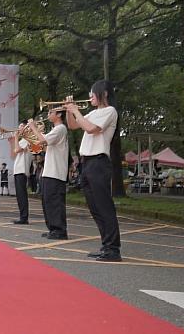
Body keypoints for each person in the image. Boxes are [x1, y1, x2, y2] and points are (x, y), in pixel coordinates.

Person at [64, 81, 121, 262]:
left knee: (104, 206)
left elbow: (90, 129)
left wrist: (76, 110)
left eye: (92, 94)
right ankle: (106, 245)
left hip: (99, 162)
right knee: (94, 207)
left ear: (103, 94)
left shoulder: (110, 111)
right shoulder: (93, 113)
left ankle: (113, 249)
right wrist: (68, 109)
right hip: (86, 162)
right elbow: (73, 125)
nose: (90, 97)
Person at [29, 110, 69, 240]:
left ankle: (60, 230)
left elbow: (42, 141)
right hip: (49, 171)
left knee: (55, 202)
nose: (48, 114)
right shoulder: (55, 130)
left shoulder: (60, 128)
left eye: (51, 112)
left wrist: (33, 127)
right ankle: (53, 228)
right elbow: (41, 146)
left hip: (56, 173)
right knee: (47, 202)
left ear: (59, 115)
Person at [8, 123, 32, 225]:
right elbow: (13, 155)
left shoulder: (28, 140)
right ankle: (22, 216)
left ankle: (24, 217)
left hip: (22, 170)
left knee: (22, 195)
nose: (19, 128)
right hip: (18, 169)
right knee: (19, 195)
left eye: (21, 126)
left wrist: (16, 137)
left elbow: (18, 150)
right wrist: (12, 142)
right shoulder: (22, 141)